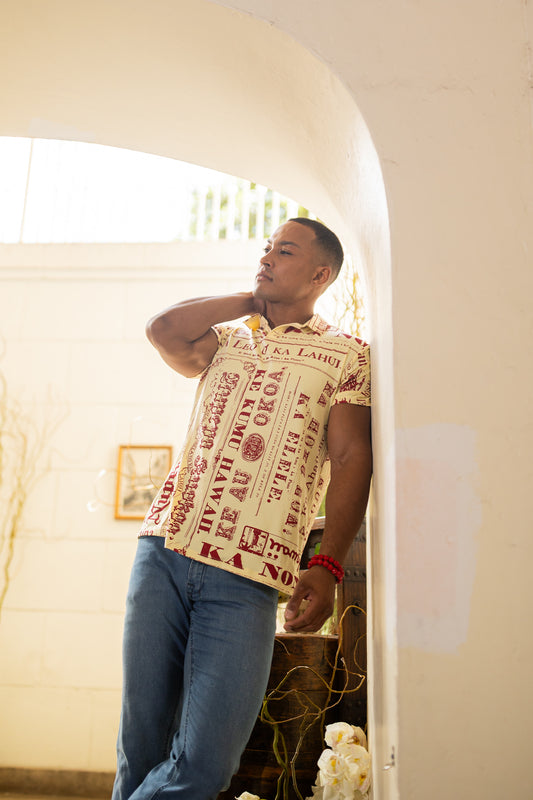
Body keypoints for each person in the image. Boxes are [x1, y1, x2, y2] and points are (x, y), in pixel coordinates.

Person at [112, 218, 372, 800]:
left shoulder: (347, 356)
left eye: (285, 251)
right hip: (164, 549)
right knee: (140, 749)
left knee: (206, 765)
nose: (267, 257)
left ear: (320, 274)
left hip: (250, 573)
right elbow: (163, 329)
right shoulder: (226, 340)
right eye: (266, 248)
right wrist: (252, 299)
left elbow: (352, 457)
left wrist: (327, 564)